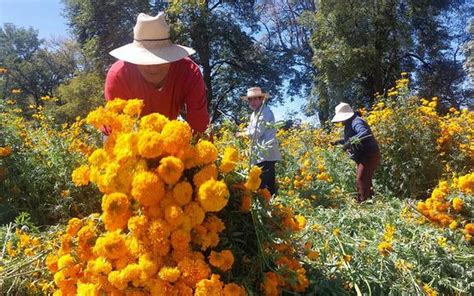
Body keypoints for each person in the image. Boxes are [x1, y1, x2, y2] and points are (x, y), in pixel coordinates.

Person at [103, 12, 209, 134]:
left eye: (160, 60)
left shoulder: (189, 72)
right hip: (128, 140)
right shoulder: (118, 75)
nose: (153, 68)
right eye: (145, 61)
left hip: (168, 139)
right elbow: (115, 131)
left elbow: (199, 125)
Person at [331, 102, 381, 202]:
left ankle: (364, 205)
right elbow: (353, 138)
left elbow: (364, 132)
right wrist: (340, 142)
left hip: (369, 155)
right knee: (366, 180)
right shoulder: (349, 123)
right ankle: (371, 203)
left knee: (361, 180)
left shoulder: (356, 121)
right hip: (363, 156)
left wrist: (349, 143)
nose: (340, 121)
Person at [241, 87, 281, 196]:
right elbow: (251, 130)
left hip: (266, 154)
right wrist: (244, 132)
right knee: (261, 186)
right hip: (259, 154)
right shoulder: (254, 114)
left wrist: (241, 134)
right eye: (250, 99)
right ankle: (270, 208)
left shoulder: (265, 112)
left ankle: (272, 209)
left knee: (265, 187)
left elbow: (256, 132)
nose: (252, 102)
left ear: (261, 99)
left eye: (255, 99)